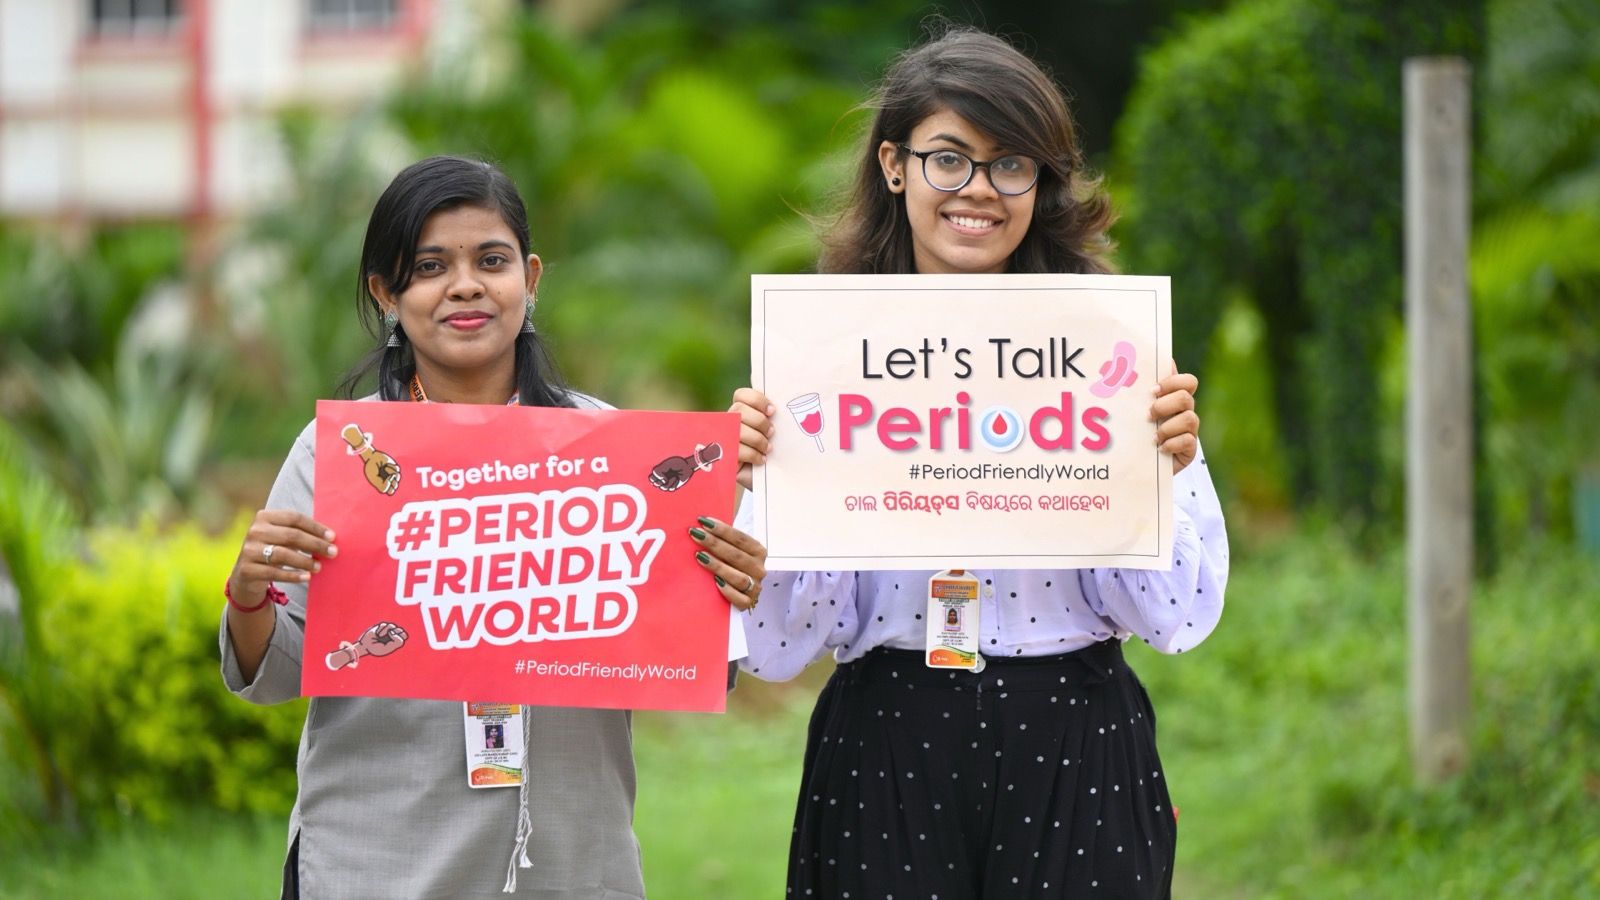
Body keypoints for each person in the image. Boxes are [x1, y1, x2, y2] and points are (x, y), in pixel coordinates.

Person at [729, 25, 1227, 899]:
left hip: (1078, 739)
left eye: (1011, 165)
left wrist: (1165, 470)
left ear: (1042, 180)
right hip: (886, 738)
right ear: (894, 165)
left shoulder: (1110, 348)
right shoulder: (821, 355)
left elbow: (1174, 616)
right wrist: (761, 482)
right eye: (949, 159)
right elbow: (783, 642)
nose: (980, 191)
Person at [220, 155, 767, 899]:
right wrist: (251, 593)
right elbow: (275, 673)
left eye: (492, 260)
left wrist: (722, 591)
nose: (466, 284)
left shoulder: (618, 454)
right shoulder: (342, 455)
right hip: (377, 867)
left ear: (530, 279)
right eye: (430, 265)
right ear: (388, 292)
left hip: (571, 866)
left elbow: (687, 663)